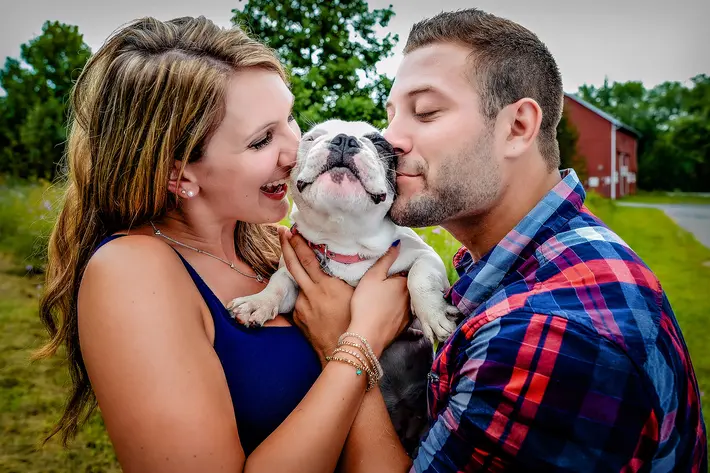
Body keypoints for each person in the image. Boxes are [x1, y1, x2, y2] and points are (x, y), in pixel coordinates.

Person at [285, 7, 708, 473]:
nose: (391, 140)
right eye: (391, 115)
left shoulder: (547, 338)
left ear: (517, 128)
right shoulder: (550, 254)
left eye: (425, 112)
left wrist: (346, 348)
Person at [36, 16, 412, 472]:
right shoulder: (131, 271)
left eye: (290, 118)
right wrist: (358, 342)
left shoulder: (280, 246)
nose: (295, 149)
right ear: (179, 174)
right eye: (261, 140)